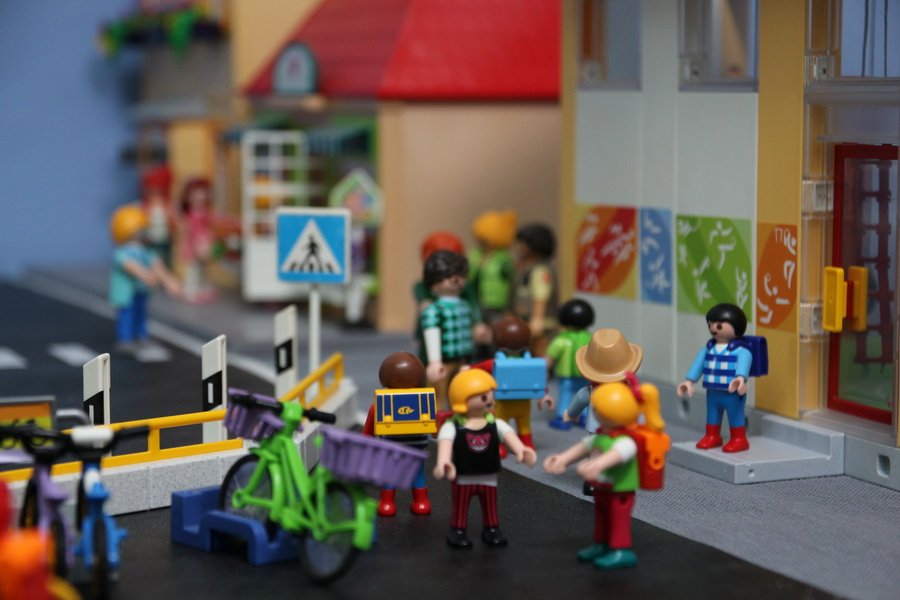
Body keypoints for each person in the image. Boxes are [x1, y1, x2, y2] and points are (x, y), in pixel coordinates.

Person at [544, 378, 665, 570]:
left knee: (618, 520)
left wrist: (597, 465)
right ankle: (601, 544)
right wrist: (563, 458)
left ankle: (621, 550)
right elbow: (583, 447)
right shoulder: (602, 435)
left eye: (597, 410)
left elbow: (616, 455)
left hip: (620, 490)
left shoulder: (626, 441)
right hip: (602, 487)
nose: (594, 413)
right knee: (601, 516)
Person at [433, 369, 536, 549]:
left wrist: (521, 450)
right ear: (463, 400)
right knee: (460, 505)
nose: (490, 400)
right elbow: (445, 444)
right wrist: (443, 462)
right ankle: (458, 530)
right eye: (483, 397)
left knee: (490, 505)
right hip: (463, 476)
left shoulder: (495, 424)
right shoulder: (452, 426)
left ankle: (492, 529)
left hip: (488, 475)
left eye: (490, 395)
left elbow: (511, 438)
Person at [363, 352, 433, 517]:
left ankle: (387, 504)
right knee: (417, 474)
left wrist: (366, 444)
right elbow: (434, 426)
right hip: (416, 450)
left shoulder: (379, 404)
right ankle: (422, 503)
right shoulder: (424, 401)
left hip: (391, 450)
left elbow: (368, 432)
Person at [677, 303, 753, 452]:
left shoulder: (741, 351)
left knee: (735, 414)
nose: (713, 329)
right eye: (710, 325)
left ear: (736, 326)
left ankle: (739, 439)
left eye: (719, 326)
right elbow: (698, 365)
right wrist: (689, 381)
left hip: (732, 392)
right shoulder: (708, 349)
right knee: (712, 414)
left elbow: (744, 365)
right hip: (712, 391)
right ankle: (712, 436)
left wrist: (740, 378)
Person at [420, 251, 489, 410]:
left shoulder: (465, 306)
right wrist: (434, 361)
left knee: (462, 393)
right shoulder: (434, 309)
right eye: (447, 275)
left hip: (464, 359)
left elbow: (467, 328)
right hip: (444, 361)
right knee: (437, 396)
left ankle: (459, 417)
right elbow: (432, 333)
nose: (456, 279)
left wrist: (479, 332)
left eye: (460, 274)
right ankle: (436, 420)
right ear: (433, 281)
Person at [109, 204, 181, 350]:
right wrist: (145, 275)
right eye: (141, 228)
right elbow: (130, 266)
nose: (145, 232)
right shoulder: (122, 253)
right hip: (127, 293)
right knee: (127, 315)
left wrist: (168, 280)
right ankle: (125, 338)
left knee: (141, 314)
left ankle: (141, 335)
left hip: (141, 291)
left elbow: (156, 263)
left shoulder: (146, 251)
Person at [546, 299, 595, 430]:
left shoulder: (561, 340)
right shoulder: (590, 338)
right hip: (585, 375)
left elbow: (550, 357)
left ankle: (563, 417)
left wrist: (545, 370)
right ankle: (583, 416)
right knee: (585, 396)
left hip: (566, 377)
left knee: (565, 396)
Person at [512, 223, 557, 356]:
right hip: (527, 326)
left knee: (538, 359)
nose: (519, 248)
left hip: (541, 331)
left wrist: (537, 321)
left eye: (522, 244)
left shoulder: (540, 270)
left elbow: (541, 297)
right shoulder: (527, 269)